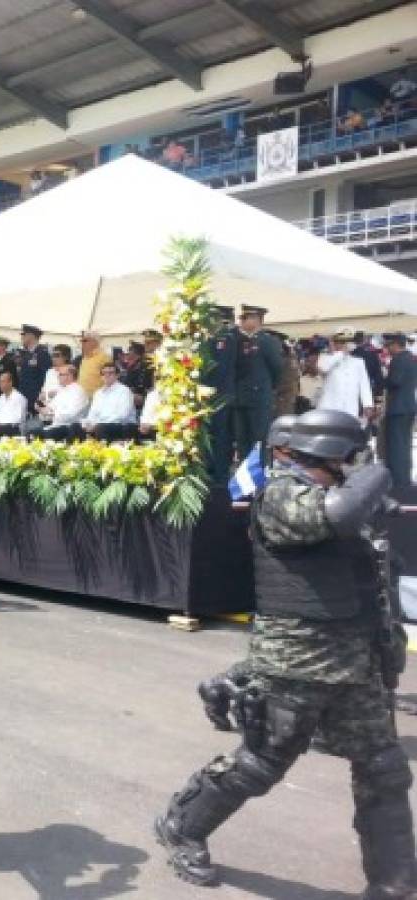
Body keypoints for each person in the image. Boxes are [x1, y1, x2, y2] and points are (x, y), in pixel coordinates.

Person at [155, 410, 417, 896]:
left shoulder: (336, 495)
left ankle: (393, 881)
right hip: (296, 660)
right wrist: (380, 470)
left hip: (357, 659)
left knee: (384, 769)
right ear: (325, 458)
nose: (342, 469)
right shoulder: (279, 493)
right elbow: (333, 516)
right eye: (339, 461)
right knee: (260, 765)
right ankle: (182, 825)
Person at [232, 305, 283, 460]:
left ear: (256, 319)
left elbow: (277, 368)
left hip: (259, 398)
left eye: (245, 318)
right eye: (241, 318)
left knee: (258, 439)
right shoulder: (237, 341)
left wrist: (267, 388)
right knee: (242, 441)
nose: (241, 321)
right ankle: (244, 476)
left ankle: (258, 475)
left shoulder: (268, 341)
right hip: (240, 398)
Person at [202, 306, 238, 482]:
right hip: (214, 395)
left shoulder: (226, 337)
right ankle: (213, 470)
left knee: (221, 436)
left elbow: (220, 368)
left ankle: (219, 474)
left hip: (220, 394)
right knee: (213, 435)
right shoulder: (214, 337)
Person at [383, 332, 416, 489]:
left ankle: (397, 479)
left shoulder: (398, 360)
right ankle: (405, 476)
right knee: (405, 444)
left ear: (396, 344)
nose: (388, 348)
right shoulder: (411, 358)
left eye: (389, 345)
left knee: (396, 445)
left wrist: (384, 379)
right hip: (409, 405)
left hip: (397, 407)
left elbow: (394, 381)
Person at [318, 328, 374, 421]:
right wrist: (339, 353)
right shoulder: (325, 358)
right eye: (341, 342)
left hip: (350, 409)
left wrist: (367, 404)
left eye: (347, 342)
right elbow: (323, 368)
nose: (344, 345)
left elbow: (364, 384)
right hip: (330, 408)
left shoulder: (358, 362)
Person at [81, 363, 137, 440]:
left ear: (117, 375)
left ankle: (105, 451)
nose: (107, 375)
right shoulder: (98, 393)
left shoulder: (124, 391)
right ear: (101, 376)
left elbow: (122, 415)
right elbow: (92, 414)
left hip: (123, 426)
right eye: (104, 373)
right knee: (76, 427)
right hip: (101, 425)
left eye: (110, 373)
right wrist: (88, 424)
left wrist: (97, 424)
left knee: (100, 428)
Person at [35, 366, 89, 439]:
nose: (58, 377)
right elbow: (50, 409)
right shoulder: (62, 391)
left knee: (47, 435)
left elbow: (71, 415)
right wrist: (41, 409)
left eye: (60, 374)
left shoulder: (78, 392)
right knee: (32, 433)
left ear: (70, 376)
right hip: (56, 425)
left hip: (70, 426)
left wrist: (50, 413)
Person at [15, 325, 51, 414]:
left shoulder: (42, 354)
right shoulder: (27, 354)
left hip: (34, 399)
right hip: (23, 396)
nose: (22, 337)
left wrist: (38, 399)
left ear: (31, 336)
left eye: (24, 335)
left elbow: (45, 378)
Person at [0, 371, 27, 437]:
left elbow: (17, 419)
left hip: (14, 428)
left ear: (10, 383)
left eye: (2, 382)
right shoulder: (0, 399)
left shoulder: (19, 398)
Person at [76, 331, 107, 396]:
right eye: (81, 341)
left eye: (85, 341)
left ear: (95, 342)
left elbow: (108, 380)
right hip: (81, 397)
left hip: (96, 398)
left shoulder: (104, 358)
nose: (82, 343)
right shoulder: (85, 358)